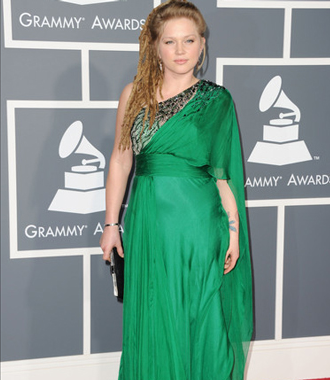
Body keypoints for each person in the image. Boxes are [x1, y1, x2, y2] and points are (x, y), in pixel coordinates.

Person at [99, 1, 253, 379]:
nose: (181, 50)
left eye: (189, 40)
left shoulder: (217, 101)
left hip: (200, 226)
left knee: (204, 317)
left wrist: (232, 234)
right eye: (171, 42)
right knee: (155, 312)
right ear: (155, 47)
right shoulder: (133, 94)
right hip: (150, 222)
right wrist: (110, 225)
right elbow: (120, 161)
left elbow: (223, 175)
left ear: (202, 45)